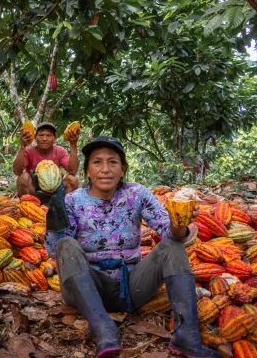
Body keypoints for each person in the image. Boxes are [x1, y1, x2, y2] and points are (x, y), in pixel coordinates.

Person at [35, 136, 220, 358]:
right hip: (86, 287)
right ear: (87, 172)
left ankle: (187, 336)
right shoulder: (73, 201)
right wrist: (55, 208)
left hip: (131, 286)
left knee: (171, 246)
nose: (105, 169)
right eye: (97, 162)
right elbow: (56, 250)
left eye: (113, 162)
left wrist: (179, 222)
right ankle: (103, 328)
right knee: (67, 244)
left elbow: (171, 233)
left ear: (123, 169)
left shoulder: (136, 194)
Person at [13, 122, 79, 197]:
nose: (44, 139)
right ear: (35, 137)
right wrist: (23, 146)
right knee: (22, 177)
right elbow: (17, 172)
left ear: (55, 138)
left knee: (73, 179)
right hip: (34, 191)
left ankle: (64, 207)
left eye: (48, 135)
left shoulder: (60, 151)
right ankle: (29, 206)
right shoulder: (29, 151)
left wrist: (73, 145)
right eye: (41, 135)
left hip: (54, 190)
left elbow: (73, 171)